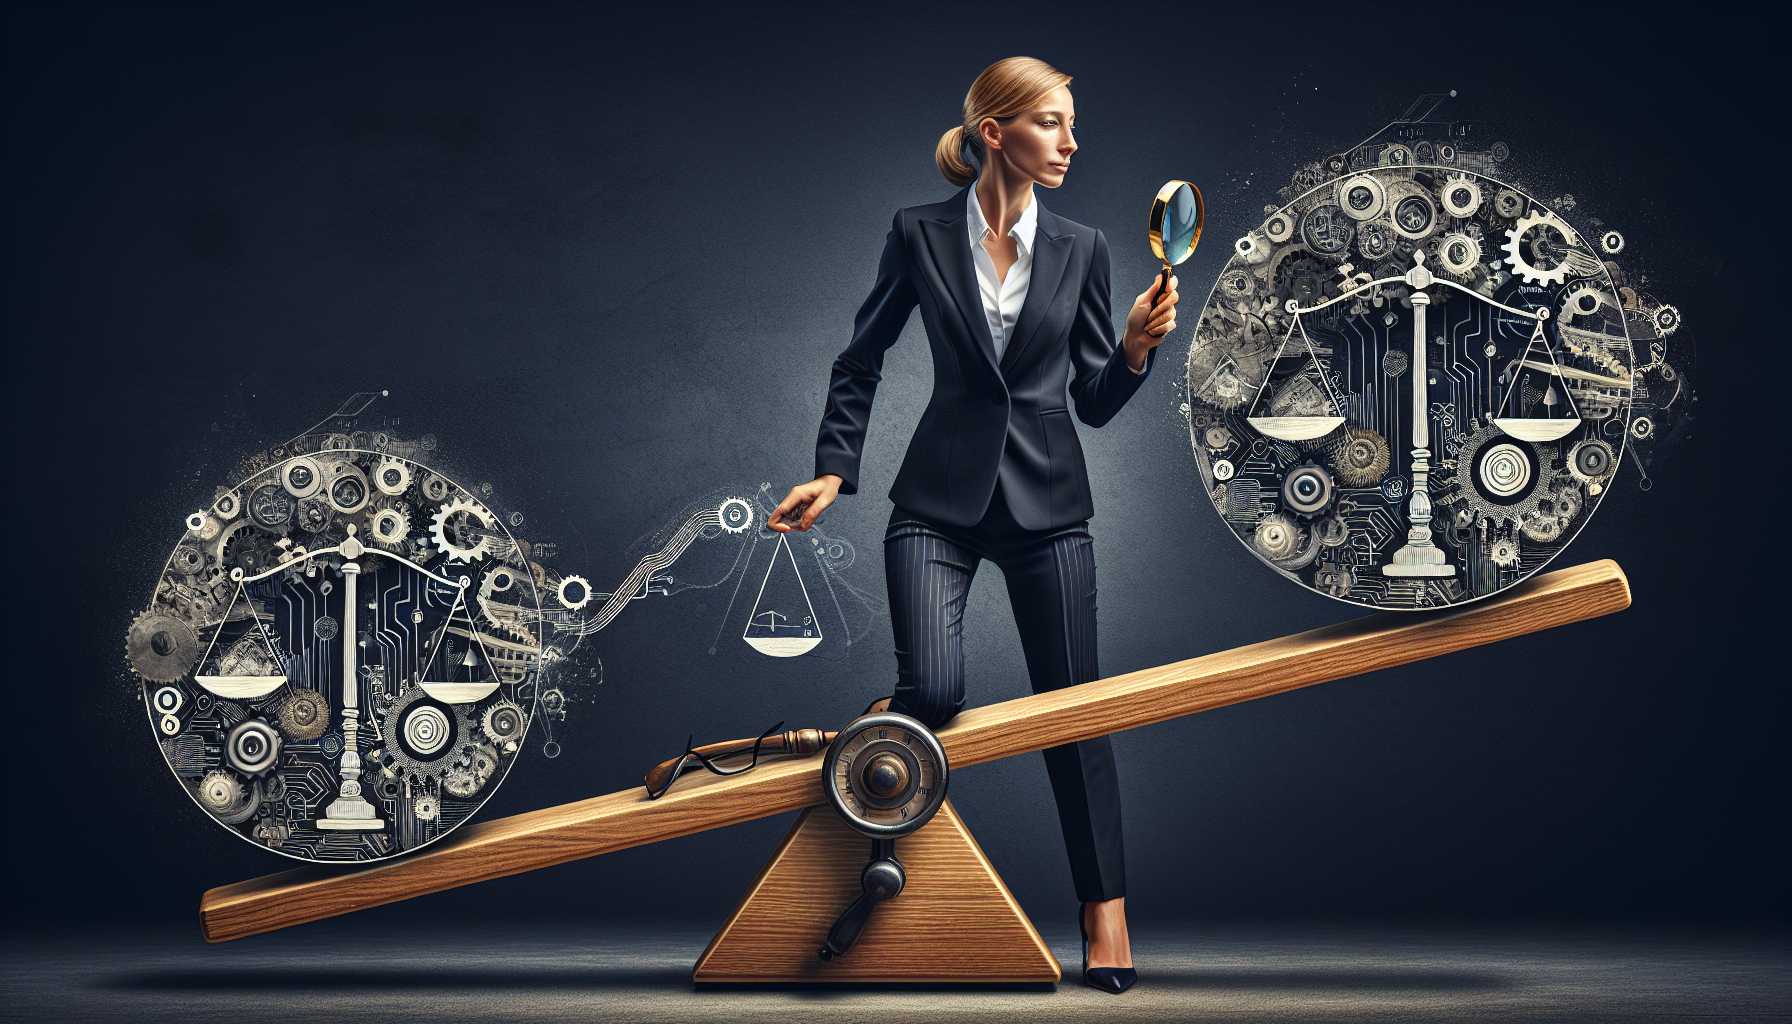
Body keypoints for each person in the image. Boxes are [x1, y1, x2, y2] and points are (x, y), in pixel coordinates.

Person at [768, 55, 1177, 994]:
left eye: (1073, 125)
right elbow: (860, 358)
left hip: (1048, 510)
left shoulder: (1084, 246)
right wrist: (835, 470)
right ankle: (872, 761)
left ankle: (1104, 911)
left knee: (1075, 713)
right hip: (936, 505)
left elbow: (1096, 400)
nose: (1071, 143)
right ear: (995, 133)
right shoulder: (917, 233)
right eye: (1050, 123)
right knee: (936, 689)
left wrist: (1135, 351)